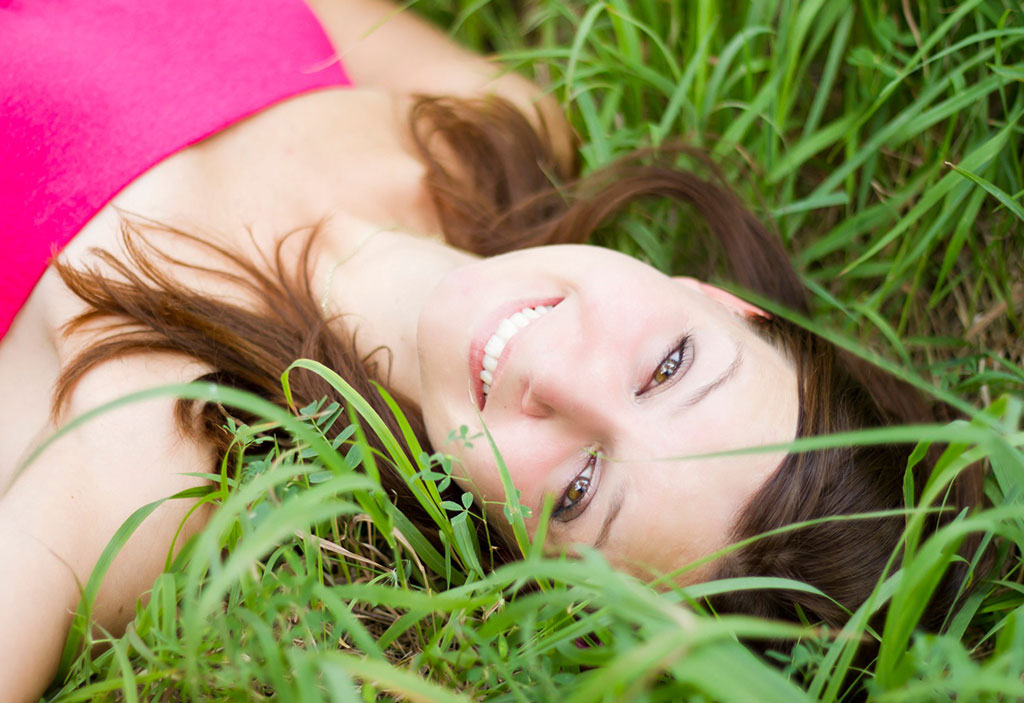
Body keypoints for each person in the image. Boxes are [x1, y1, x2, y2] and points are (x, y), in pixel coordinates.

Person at [0, 0, 982, 700]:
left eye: (582, 487)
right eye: (668, 367)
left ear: (523, 561)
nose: (555, 374)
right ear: (719, 299)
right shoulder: (497, 117)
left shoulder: (139, 445)